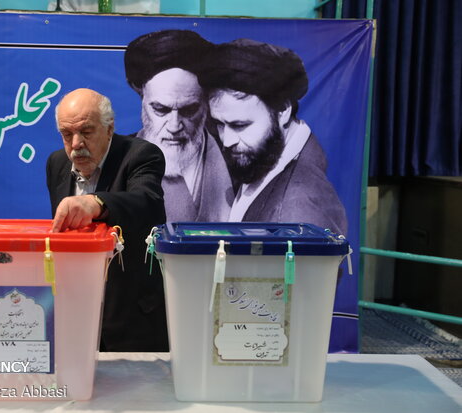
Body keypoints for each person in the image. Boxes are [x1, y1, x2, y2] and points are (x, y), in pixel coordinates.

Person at [45, 88, 168, 351]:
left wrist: (97, 203)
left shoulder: (141, 155)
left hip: (132, 317)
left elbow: (148, 203)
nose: (76, 143)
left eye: (86, 132)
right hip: (76, 313)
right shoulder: (56, 164)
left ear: (109, 129)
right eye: (67, 135)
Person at [199, 39, 348, 236]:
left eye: (240, 125)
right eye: (219, 124)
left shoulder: (300, 206)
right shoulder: (262, 158)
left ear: (283, 110)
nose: (227, 141)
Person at [124, 29, 232, 222]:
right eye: (160, 109)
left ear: (206, 103)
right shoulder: (119, 161)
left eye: (188, 110)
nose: (174, 126)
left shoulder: (239, 164)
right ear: (141, 97)